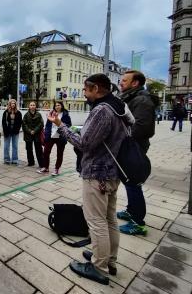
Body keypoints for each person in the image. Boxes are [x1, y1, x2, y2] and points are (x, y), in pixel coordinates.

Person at [48, 73, 134, 285]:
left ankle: (99, 266)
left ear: (96, 89)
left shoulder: (102, 110)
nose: (84, 93)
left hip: (98, 173)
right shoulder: (119, 106)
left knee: (96, 222)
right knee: (109, 219)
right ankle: (109, 259)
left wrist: (61, 125)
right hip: (113, 171)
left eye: (86, 90)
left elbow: (84, 143)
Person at [117, 70, 158, 236]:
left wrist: (122, 139)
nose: (121, 83)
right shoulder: (132, 97)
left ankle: (138, 223)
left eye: (124, 81)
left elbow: (143, 128)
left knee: (133, 183)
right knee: (129, 182)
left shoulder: (142, 100)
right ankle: (131, 211)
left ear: (135, 83)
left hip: (133, 147)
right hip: (129, 146)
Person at [38, 101, 71, 175]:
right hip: (51, 136)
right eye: (56, 105)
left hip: (60, 136)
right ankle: (46, 167)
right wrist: (46, 134)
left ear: (62, 106)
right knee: (46, 152)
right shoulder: (51, 114)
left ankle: (57, 169)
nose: (57, 107)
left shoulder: (66, 115)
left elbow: (69, 125)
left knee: (59, 154)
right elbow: (47, 125)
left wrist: (60, 126)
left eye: (59, 105)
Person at [22, 101, 44, 167]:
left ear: (35, 106)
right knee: (29, 149)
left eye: (33, 105)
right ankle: (31, 162)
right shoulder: (26, 115)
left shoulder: (39, 114)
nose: (32, 106)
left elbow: (41, 124)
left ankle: (41, 163)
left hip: (37, 134)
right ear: (29, 106)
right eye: (31, 105)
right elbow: (24, 124)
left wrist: (35, 130)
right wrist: (30, 131)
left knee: (39, 149)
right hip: (28, 135)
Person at [2, 99, 22, 165]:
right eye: (11, 103)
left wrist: (17, 130)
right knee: (6, 146)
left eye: (14, 103)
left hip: (15, 131)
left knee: (15, 146)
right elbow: (3, 123)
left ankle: (15, 159)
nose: (13, 104)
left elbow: (20, 123)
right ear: (9, 104)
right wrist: (5, 131)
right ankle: (6, 159)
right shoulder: (6, 112)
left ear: (15, 104)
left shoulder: (18, 113)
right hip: (7, 131)